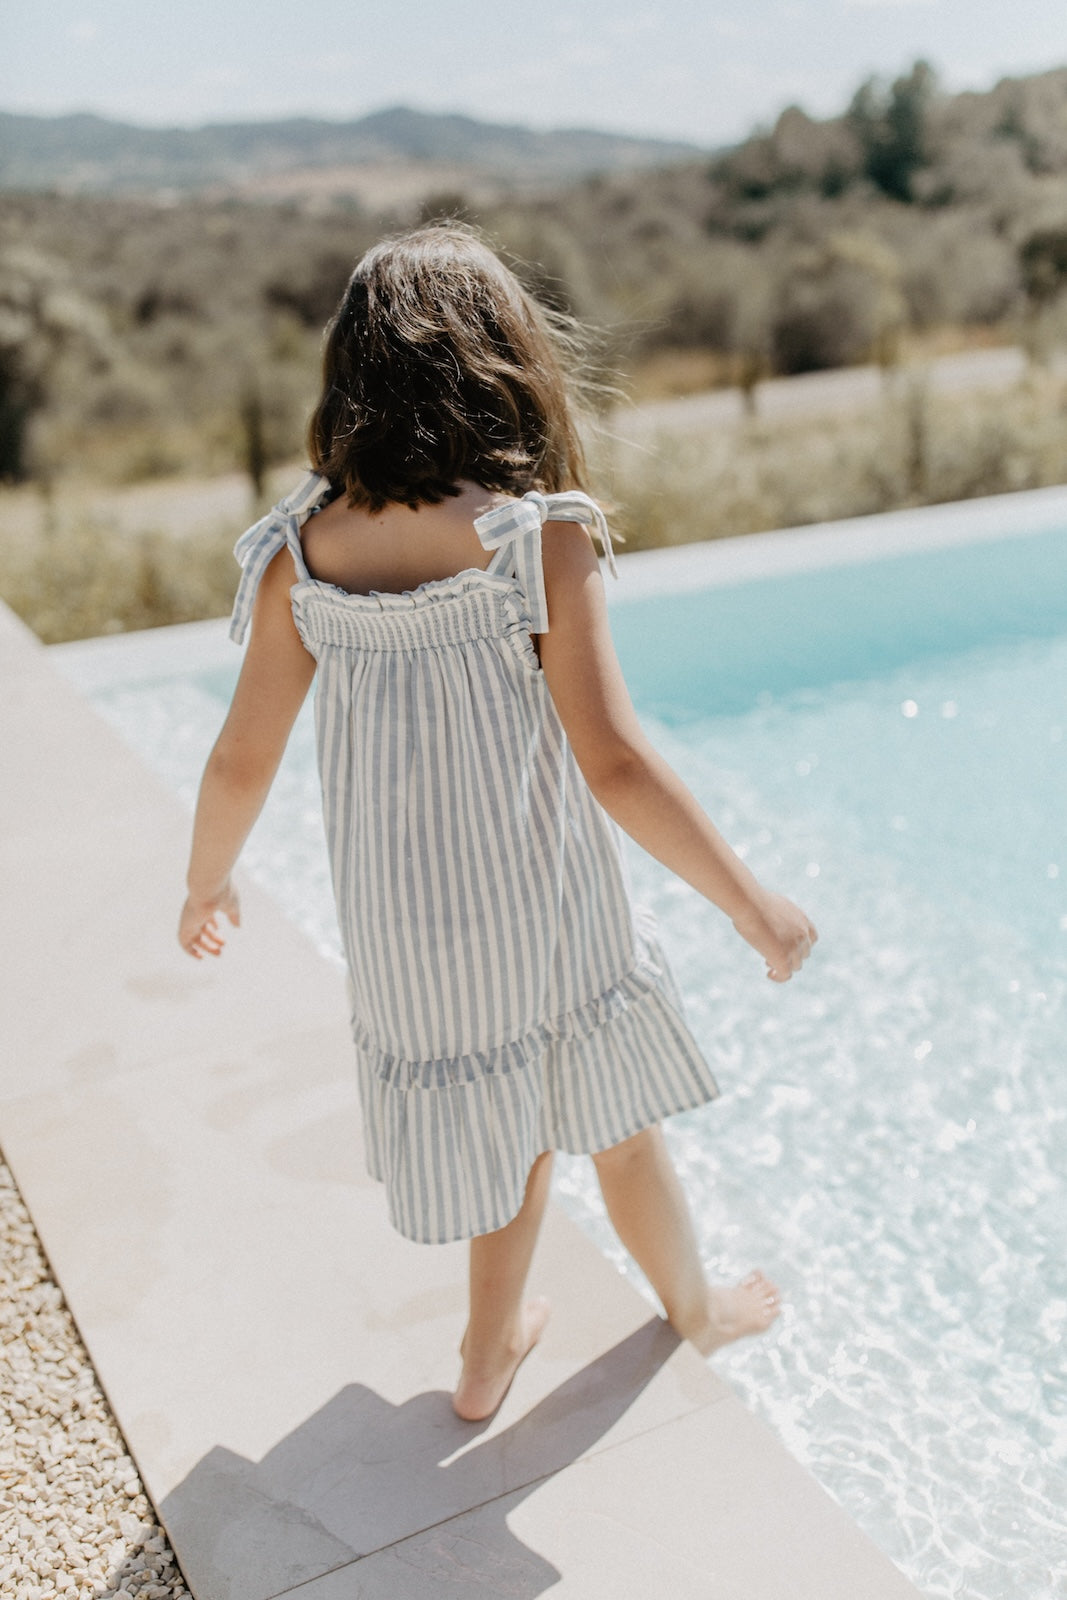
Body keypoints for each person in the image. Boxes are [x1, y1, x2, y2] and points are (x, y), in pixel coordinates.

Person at [179, 225, 817, 1423]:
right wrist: (750, 901)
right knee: (601, 1120)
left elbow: (239, 755)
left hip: (408, 930)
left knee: (503, 1127)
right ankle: (615, 1324)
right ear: (500, 362)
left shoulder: (301, 553)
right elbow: (615, 763)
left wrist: (204, 885)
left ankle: (557, 1334)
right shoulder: (533, 535)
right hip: (542, 900)